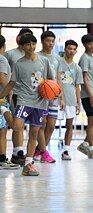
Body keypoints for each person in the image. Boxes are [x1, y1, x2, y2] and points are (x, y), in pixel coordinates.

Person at [0, 34, 53, 176]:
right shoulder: (18, 64)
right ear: (22, 47)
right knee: (16, 127)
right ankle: (3, 108)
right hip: (24, 100)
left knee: (34, 132)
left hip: (40, 101)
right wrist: (1, 96)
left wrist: (55, 93)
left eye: (33, 43)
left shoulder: (44, 61)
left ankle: (28, 164)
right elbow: (11, 83)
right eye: (28, 44)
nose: (31, 47)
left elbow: (50, 81)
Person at [4, 28, 33, 166]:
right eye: (25, 38)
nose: (29, 43)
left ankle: (23, 152)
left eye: (31, 40)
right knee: (17, 125)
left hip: (31, 95)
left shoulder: (35, 57)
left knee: (32, 126)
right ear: (18, 38)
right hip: (14, 93)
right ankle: (18, 152)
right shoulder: (9, 55)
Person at [34, 30, 64, 163]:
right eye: (48, 41)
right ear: (42, 42)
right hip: (42, 95)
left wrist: (61, 96)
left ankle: (40, 150)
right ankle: (44, 152)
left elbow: (58, 77)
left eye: (52, 41)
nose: (51, 43)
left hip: (54, 95)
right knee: (42, 124)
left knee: (51, 125)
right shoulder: (37, 56)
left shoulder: (57, 58)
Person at [57, 40, 83, 160]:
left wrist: (78, 102)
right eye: (69, 48)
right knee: (48, 124)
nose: (71, 51)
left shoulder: (77, 68)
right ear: (65, 49)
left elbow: (77, 86)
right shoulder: (58, 63)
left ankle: (66, 150)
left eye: (74, 49)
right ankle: (42, 149)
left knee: (69, 125)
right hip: (56, 99)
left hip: (71, 99)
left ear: (76, 51)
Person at [0, 35, 20, 169]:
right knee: (3, 129)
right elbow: (2, 78)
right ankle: (2, 158)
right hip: (1, 99)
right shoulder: (1, 59)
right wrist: (9, 90)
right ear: (3, 46)